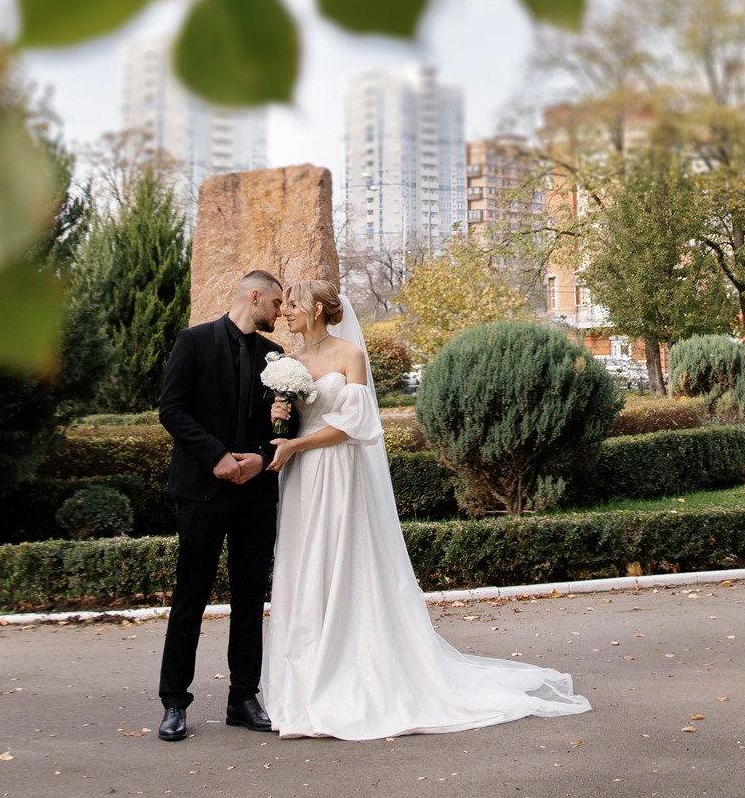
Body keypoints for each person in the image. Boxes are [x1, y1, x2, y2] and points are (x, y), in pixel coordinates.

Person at [261, 279, 592, 739]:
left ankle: (355, 665)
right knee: (305, 563)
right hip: (302, 477)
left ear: (318, 308)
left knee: (343, 558)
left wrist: (298, 442)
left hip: (338, 471)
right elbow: (298, 418)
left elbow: (356, 422)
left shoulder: (348, 355)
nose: (286, 313)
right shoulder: (289, 363)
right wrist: (281, 413)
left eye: (294, 304)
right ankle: (308, 670)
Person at [153, 269, 284, 742]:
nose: (279, 312)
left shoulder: (276, 356)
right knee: (189, 599)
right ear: (254, 296)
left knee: (250, 600)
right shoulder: (193, 342)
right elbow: (172, 410)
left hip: (255, 495)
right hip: (202, 492)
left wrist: (261, 458)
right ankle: (174, 703)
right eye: (275, 302)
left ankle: (243, 699)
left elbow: (285, 427)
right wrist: (217, 457)